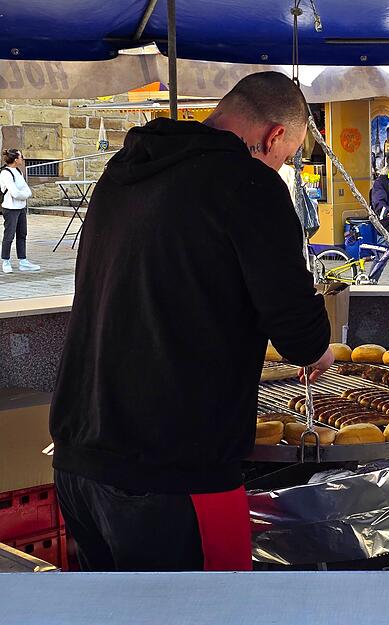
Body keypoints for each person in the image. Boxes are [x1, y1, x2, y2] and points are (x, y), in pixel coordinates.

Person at [49, 72, 334, 572]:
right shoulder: (249, 183)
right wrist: (319, 350)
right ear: (273, 137)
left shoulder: (125, 170)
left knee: (116, 610)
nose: (280, 167)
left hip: (80, 461)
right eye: (285, 157)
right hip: (172, 471)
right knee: (212, 608)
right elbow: (299, 331)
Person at [0, 148, 40, 273]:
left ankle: (23, 261)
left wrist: (25, 194)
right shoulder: (5, 173)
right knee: (9, 235)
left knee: (22, 234)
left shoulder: (18, 171)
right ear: (15, 159)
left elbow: (26, 189)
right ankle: (6, 261)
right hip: (10, 208)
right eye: (21, 157)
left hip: (21, 208)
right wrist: (25, 195)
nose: (23, 158)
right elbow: (15, 193)